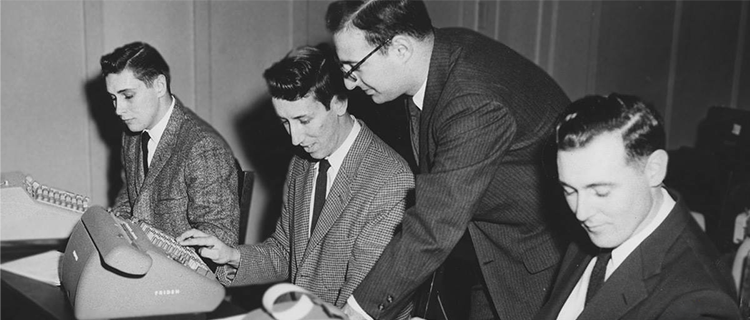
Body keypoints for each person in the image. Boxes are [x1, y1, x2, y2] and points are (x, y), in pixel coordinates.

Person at [325, 1, 571, 319]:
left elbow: (433, 224)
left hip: (538, 269)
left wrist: (356, 312)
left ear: (400, 49)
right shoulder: (440, 56)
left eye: (354, 67)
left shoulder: (472, 99)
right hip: (493, 253)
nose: (348, 83)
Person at [177, 45, 414, 315]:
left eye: (304, 120)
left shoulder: (390, 181)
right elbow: (285, 251)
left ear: (339, 102)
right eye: (285, 123)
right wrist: (232, 256)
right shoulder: (303, 164)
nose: (295, 139)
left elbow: (361, 302)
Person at [534, 93, 741, 320]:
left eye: (601, 191)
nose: (581, 212)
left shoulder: (699, 302)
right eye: (569, 190)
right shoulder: (602, 225)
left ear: (654, 170)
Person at [102, 41, 240, 245]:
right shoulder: (132, 135)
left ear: (159, 86)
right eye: (113, 98)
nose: (118, 109)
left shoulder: (202, 147)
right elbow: (129, 197)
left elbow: (219, 237)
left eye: (128, 96)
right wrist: (115, 228)